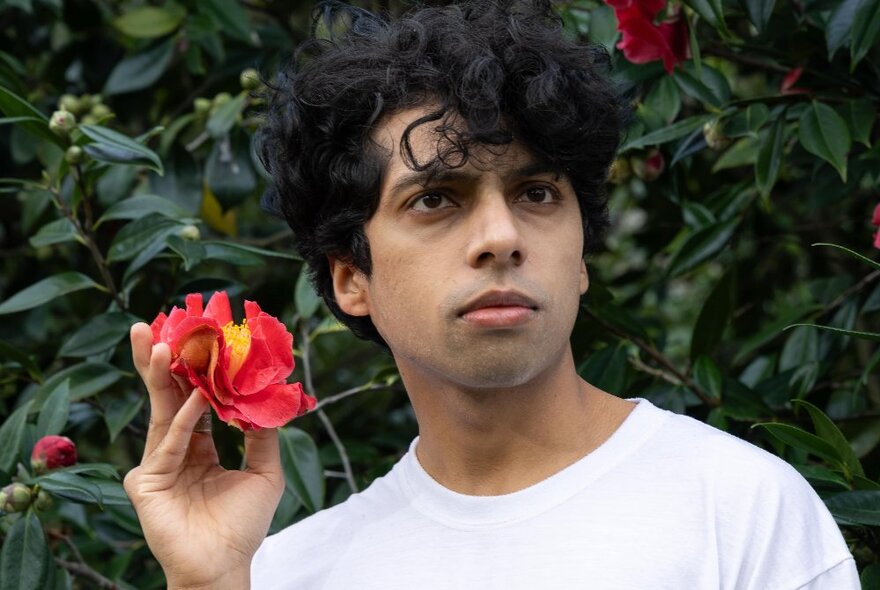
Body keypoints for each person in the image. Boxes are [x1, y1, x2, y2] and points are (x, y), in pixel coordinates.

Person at [123, 1, 859, 588]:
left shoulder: (743, 508)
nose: (501, 235)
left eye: (536, 192)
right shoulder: (284, 573)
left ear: (580, 258)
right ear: (351, 279)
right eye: (436, 200)